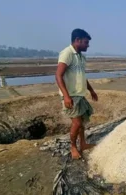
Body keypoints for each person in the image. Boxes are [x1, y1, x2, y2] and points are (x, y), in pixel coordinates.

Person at [55, 28, 98, 160]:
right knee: (77, 123)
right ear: (77, 40)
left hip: (80, 94)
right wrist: (66, 96)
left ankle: (83, 144)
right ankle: (73, 147)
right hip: (71, 95)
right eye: (86, 42)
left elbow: (82, 76)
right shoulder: (67, 53)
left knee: (82, 122)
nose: (88, 45)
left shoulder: (81, 57)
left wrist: (91, 90)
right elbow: (58, 75)